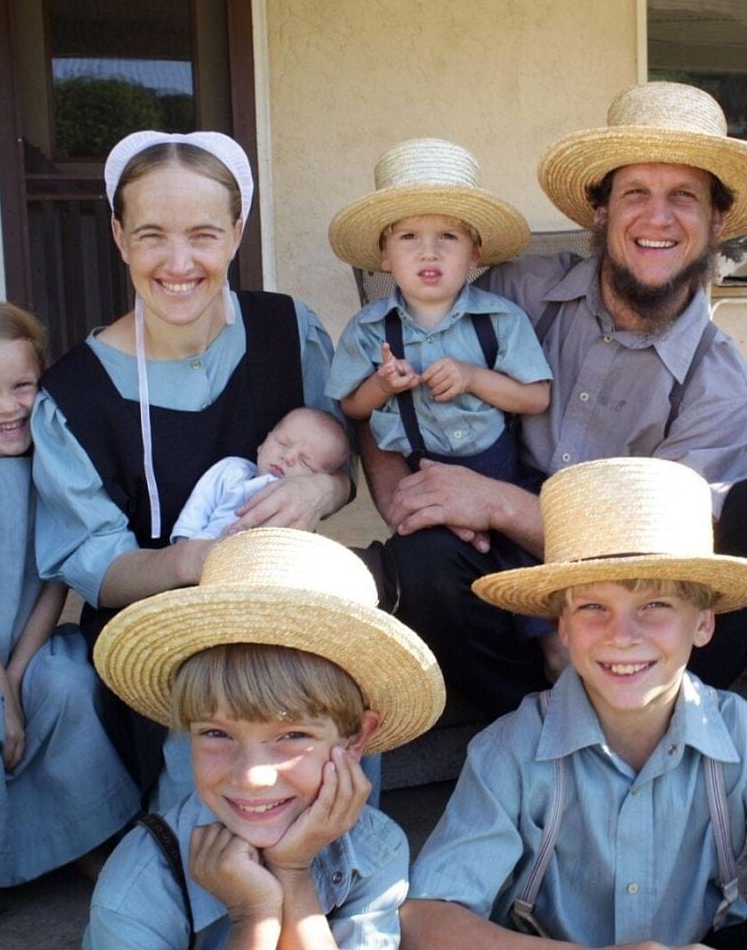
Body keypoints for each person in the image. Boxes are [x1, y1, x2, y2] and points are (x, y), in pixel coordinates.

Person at [358, 82, 747, 717]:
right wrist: (411, 500)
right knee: (422, 559)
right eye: (635, 195)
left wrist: (497, 503)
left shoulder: (721, 382)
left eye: (684, 197)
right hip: (488, 577)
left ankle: (639, 720)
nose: (658, 218)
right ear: (599, 210)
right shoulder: (516, 291)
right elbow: (380, 400)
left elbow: (662, 559)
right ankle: (526, 724)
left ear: (716, 221)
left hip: (628, 607)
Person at [31, 130, 349, 794]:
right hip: (153, 631)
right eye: (151, 235)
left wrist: (319, 491)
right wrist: (189, 561)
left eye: (203, 234)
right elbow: (96, 568)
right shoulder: (73, 396)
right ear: (118, 236)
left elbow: (341, 469)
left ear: (237, 233)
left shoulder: (290, 331)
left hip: (277, 609)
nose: (178, 263)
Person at [403, 456, 747, 950]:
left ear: (704, 623)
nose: (622, 636)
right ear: (561, 627)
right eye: (592, 607)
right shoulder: (512, 750)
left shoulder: (738, 736)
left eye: (655, 605)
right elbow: (425, 918)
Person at [84, 527, 445, 948]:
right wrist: (252, 918)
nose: (252, 776)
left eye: (292, 734)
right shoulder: (140, 884)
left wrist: (292, 875)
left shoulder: (375, 852)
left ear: (355, 737)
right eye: (216, 732)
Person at [0, 301, 138, 890]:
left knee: (67, 686)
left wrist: (23, 666)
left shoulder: (53, 464)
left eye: (22, 386)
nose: (7, 408)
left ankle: (78, 838)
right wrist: (2, 691)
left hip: (29, 638)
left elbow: (57, 574)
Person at [327, 137, 551, 490]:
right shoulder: (367, 329)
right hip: (417, 475)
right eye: (409, 237)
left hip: (498, 477)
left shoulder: (502, 320)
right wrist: (381, 385)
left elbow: (537, 399)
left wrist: (474, 378)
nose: (428, 252)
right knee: (428, 545)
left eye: (447, 235)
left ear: (474, 254)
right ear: (385, 256)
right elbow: (352, 407)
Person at [171, 407, 350, 543]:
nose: (287, 457)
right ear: (263, 442)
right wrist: (184, 541)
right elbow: (200, 505)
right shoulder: (232, 470)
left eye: (305, 462)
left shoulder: (297, 506)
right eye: (282, 443)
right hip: (203, 548)